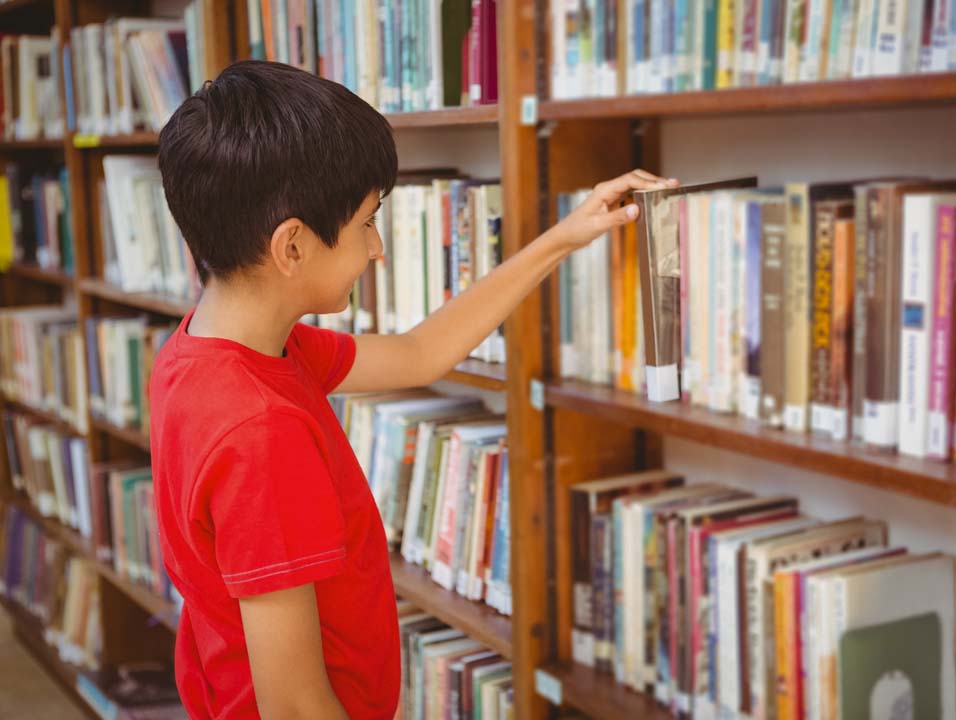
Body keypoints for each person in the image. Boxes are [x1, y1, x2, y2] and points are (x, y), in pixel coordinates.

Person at [150, 60, 677, 719]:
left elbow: (419, 353)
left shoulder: (211, 352)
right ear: (292, 247)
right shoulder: (260, 432)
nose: (377, 250)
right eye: (368, 222)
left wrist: (563, 237)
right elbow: (295, 707)